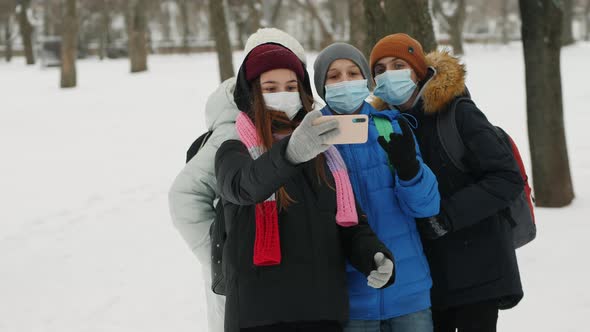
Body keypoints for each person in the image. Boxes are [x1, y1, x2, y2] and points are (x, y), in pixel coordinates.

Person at [215, 43, 395, 332]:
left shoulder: (324, 153)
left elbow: (349, 225)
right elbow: (244, 186)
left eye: (290, 86)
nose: (283, 95)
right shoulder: (233, 149)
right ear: (251, 94)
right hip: (260, 316)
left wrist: (373, 255)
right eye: (270, 88)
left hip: (323, 313)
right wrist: (290, 154)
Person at [369, 33, 524, 332]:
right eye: (380, 70)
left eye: (398, 64)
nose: (389, 75)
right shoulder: (382, 126)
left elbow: (506, 177)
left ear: (417, 69)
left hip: (479, 271)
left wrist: (447, 216)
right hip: (427, 277)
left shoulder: (459, 113)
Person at [168, 28, 309, 332]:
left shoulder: (299, 120)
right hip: (245, 286)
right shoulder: (235, 128)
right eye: (270, 81)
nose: (282, 90)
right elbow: (186, 195)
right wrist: (224, 256)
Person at [313, 42, 440, 332]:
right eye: (334, 76)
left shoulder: (391, 126)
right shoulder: (313, 138)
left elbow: (426, 207)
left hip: (409, 292)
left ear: (366, 80)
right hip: (350, 299)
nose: (345, 81)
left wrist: (411, 171)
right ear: (322, 86)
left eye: (353, 72)